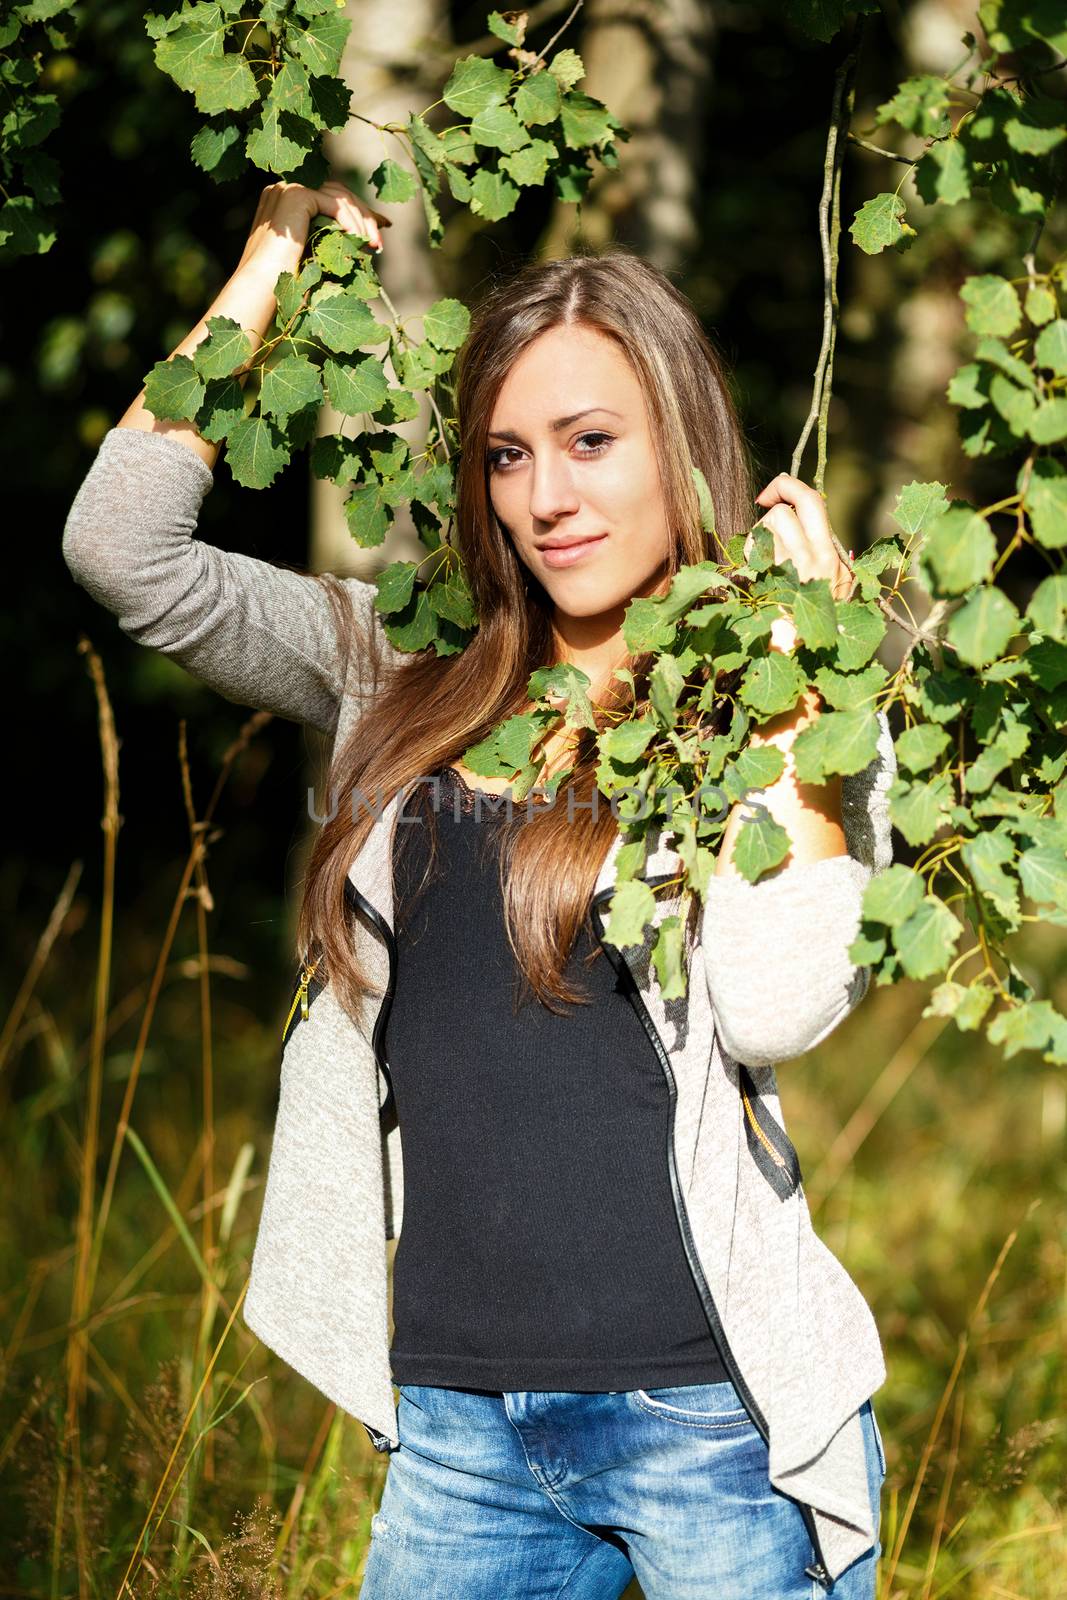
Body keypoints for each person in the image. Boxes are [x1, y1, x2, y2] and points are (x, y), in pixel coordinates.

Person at [62, 180, 896, 1599]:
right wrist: (275, 262)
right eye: (508, 455)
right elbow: (121, 550)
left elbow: (770, 1009)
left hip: (714, 1423)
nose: (545, 498)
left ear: (684, 447)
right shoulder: (402, 661)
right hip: (460, 1436)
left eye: (589, 443)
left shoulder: (770, 695)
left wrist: (811, 726)